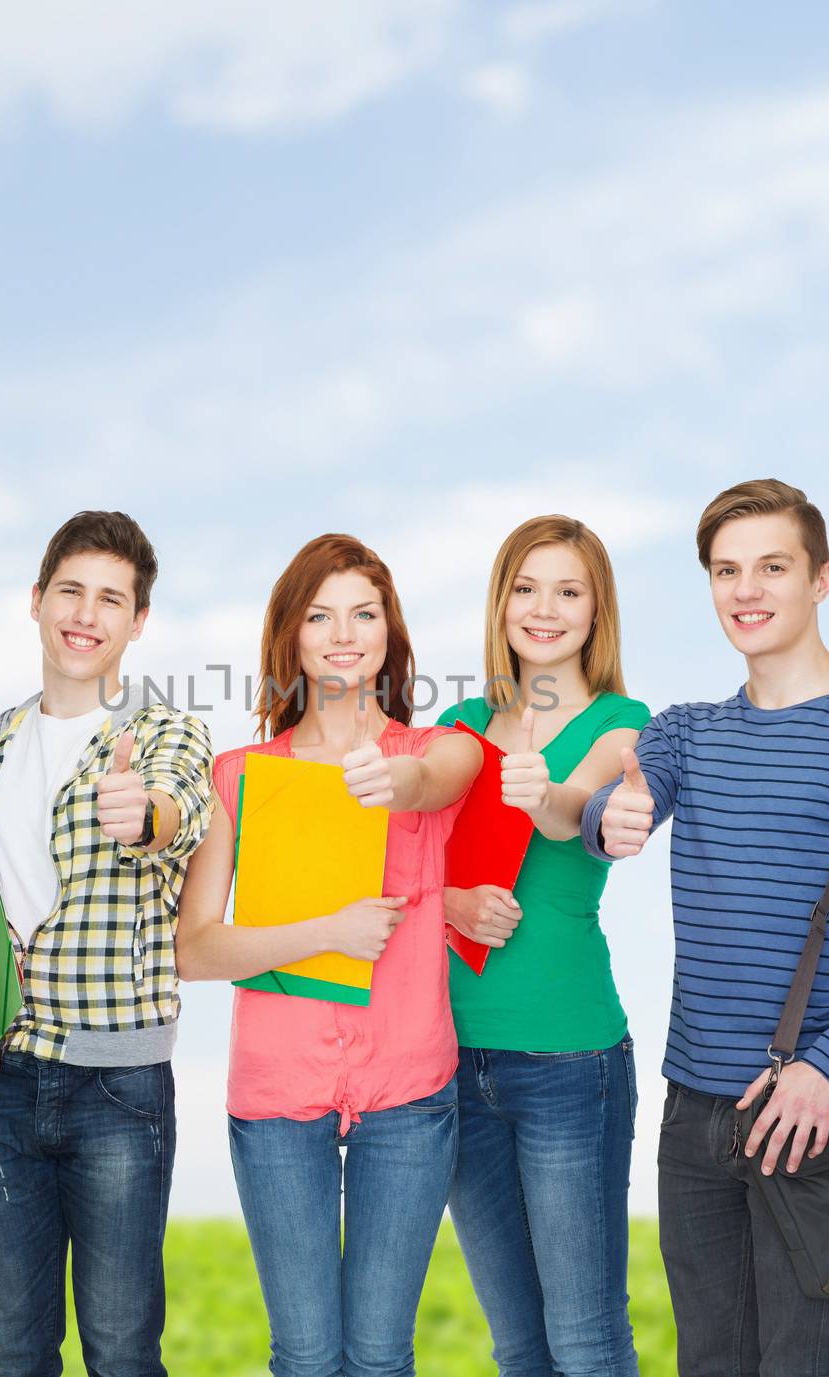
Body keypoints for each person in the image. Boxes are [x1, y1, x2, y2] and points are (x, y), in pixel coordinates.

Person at [582, 480, 829, 1377]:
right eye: (727, 570)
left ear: (821, 579)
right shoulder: (690, 732)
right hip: (693, 1119)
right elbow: (620, 801)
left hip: (815, 1118)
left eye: (772, 566)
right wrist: (610, 816)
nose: (746, 590)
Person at [176, 533, 483, 1377]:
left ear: (390, 630)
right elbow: (195, 949)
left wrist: (397, 781)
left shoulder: (433, 753)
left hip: (410, 1088)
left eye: (364, 612)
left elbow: (447, 775)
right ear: (292, 636)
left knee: (381, 1354)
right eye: (320, 615)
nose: (344, 632)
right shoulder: (238, 777)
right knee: (307, 1355)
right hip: (278, 1093)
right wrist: (329, 932)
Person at [0, 510, 214, 1377]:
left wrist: (144, 813)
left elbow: (179, 812)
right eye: (71, 590)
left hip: (118, 1088)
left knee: (123, 1351)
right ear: (36, 600)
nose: (86, 613)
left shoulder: (166, 734)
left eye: (112, 599)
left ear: (137, 621)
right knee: (13, 1350)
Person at [437, 515, 650, 1377]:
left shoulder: (623, 723)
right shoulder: (457, 722)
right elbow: (408, 873)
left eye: (569, 590)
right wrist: (452, 900)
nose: (545, 608)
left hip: (570, 1060)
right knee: (519, 1346)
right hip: (453, 1057)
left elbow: (580, 813)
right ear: (501, 602)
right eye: (526, 587)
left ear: (597, 611)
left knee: (587, 1340)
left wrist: (543, 794)